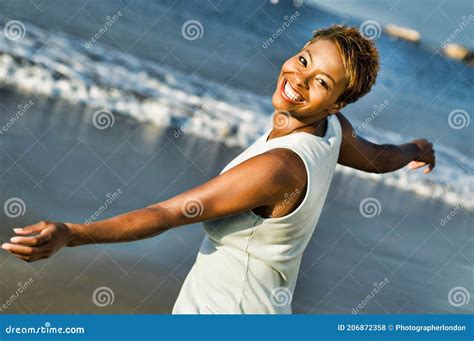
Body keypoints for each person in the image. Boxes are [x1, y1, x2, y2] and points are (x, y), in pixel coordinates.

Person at [1, 25, 435, 314]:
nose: (300, 78)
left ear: (338, 102)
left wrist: (73, 234)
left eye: (321, 82)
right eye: (305, 60)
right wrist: (416, 148)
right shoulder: (331, 131)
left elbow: (167, 214)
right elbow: (380, 158)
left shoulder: (279, 167)